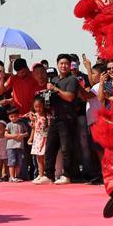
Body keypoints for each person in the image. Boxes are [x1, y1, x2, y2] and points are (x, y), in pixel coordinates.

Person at [41, 54, 80, 185]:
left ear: (70, 66)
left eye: (66, 64)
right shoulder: (55, 80)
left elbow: (69, 97)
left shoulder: (72, 80)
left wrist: (56, 90)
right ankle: (49, 175)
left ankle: (67, 175)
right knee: (50, 148)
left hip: (67, 118)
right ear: (57, 65)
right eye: (61, 63)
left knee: (66, 148)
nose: (63, 66)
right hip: (54, 117)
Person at [28, 96, 49, 183]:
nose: (38, 108)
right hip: (37, 138)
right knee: (38, 157)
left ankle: (46, 174)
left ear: (43, 105)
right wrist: (31, 138)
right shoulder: (35, 116)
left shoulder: (47, 116)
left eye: (40, 106)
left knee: (44, 157)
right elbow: (33, 128)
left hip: (44, 138)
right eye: (36, 107)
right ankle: (40, 175)